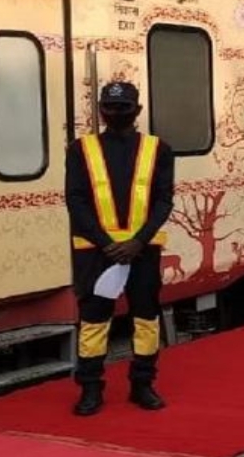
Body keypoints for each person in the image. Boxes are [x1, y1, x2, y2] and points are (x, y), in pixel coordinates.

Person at [65, 81, 174, 416]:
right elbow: (76, 200)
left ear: (137, 111)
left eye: (124, 107)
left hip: (141, 250)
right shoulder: (80, 149)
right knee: (94, 321)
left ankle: (143, 384)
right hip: (97, 251)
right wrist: (109, 243)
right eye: (111, 107)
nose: (117, 113)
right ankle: (91, 389)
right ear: (101, 110)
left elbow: (163, 199)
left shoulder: (159, 149)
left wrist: (138, 241)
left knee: (146, 318)